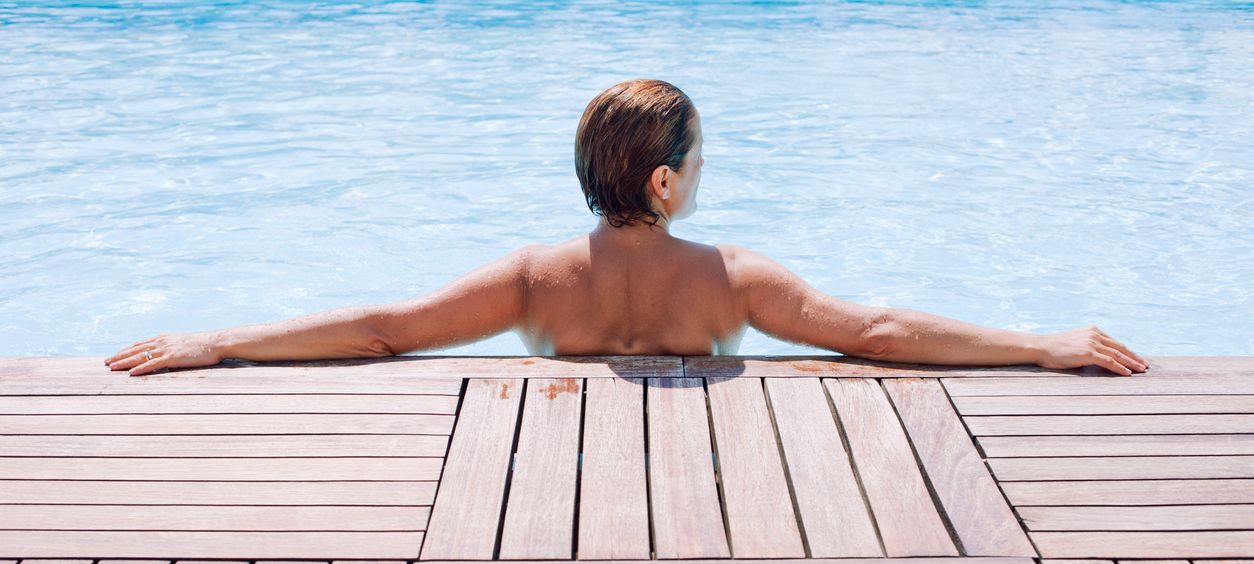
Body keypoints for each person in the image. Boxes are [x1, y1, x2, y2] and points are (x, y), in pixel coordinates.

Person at [105, 79, 1148, 377]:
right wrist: (1036, 341)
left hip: (539, 526)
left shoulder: (532, 274)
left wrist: (223, 339)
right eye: (694, 163)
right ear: (662, 180)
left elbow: (383, 326)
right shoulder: (733, 275)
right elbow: (875, 332)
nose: (701, 177)